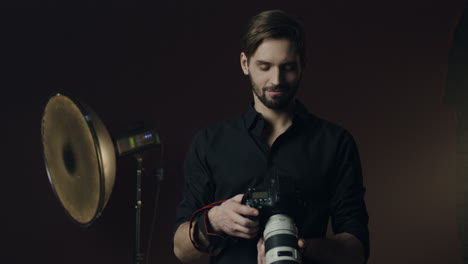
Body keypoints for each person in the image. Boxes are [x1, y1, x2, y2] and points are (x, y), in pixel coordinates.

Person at [173, 10, 369, 264]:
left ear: (302, 66)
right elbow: (181, 249)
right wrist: (214, 221)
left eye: (287, 67)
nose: (276, 80)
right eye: (264, 67)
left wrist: (298, 246)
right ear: (245, 64)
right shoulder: (209, 143)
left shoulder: (335, 143)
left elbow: (356, 251)